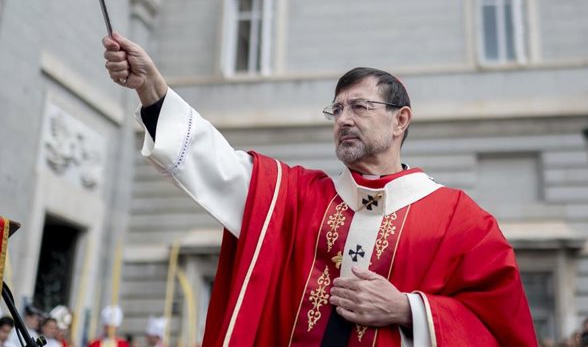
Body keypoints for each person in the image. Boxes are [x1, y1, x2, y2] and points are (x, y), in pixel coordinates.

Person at [102, 32, 538, 346]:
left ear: (401, 120)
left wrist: (409, 310)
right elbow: (218, 165)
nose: (343, 119)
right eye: (337, 109)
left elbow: (501, 329)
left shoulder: (459, 220)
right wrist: (151, 88)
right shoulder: (298, 197)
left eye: (360, 107)